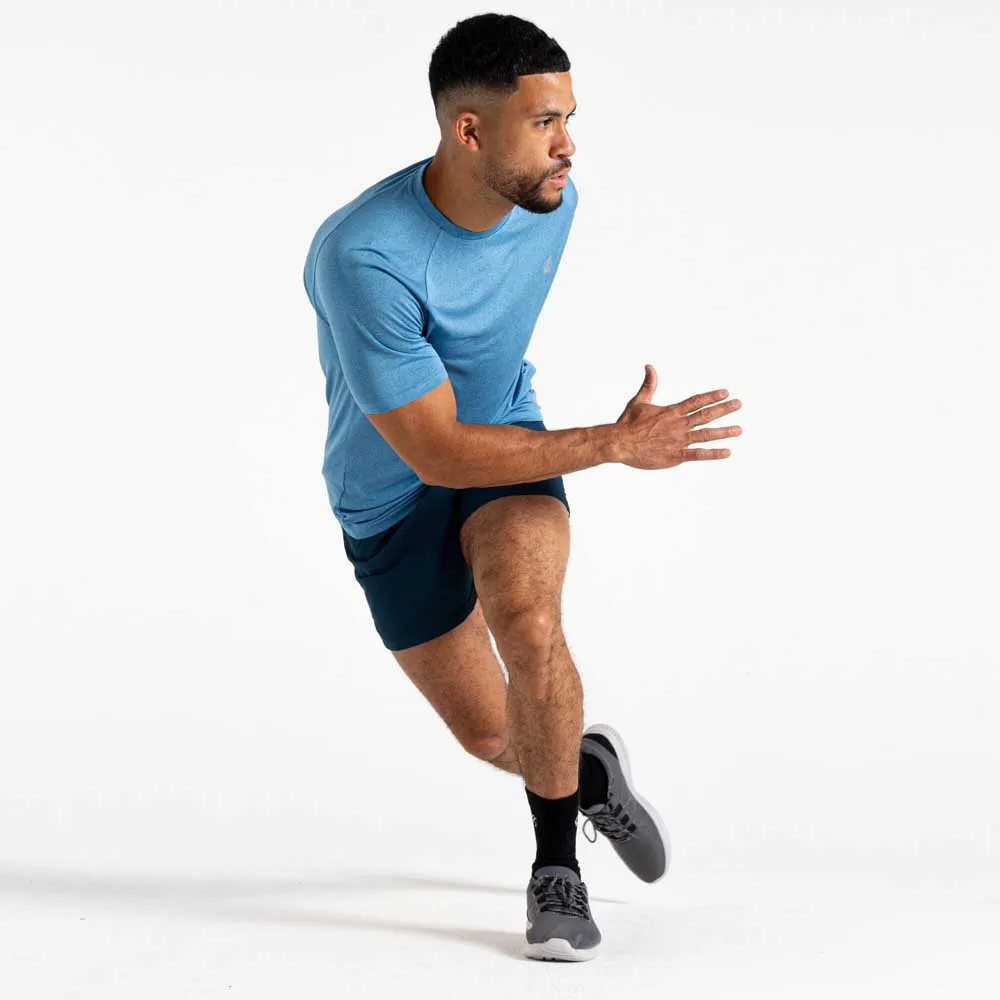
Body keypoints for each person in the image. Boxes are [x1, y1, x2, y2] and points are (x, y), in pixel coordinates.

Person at [302, 12, 742, 962]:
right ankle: (587, 772)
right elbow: (435, 453)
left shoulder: (552, 200)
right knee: (490, 735)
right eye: (544, 122)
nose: (567, 145)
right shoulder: (364, 256)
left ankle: (556, 874)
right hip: (395, 492)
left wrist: (573, 444)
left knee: (530, 623)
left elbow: (481, 399)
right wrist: (616, 445)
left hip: (507, 443)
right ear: (469, 131)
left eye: (569, 118)